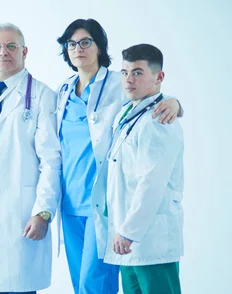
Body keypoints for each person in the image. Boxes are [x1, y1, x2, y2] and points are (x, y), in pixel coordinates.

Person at [54, 19, 183, 294]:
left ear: (100, 47)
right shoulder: (63, 91)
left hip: (100, 203)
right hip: (70, 201)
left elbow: (151, 101)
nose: (79, 48)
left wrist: (174, 103)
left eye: (86, 42)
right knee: (81, 283)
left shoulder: (118, 82)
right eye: (72, 43)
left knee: (94, 282)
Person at [0, 22, 61, 294]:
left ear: (24, 51)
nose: (2, 52)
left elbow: (51, 161)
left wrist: (43, 211)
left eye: (11, 46)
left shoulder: (41, 96)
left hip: (21, 203)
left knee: (19, 281)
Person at [104, 43, 184, 294]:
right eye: (125, 72)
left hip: (151, 241)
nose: (128, 80)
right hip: (128, 239)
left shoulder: (159, 120)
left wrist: (129, 231)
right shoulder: (127, 113)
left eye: (137, 72)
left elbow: (152, 183)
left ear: (159, 77)